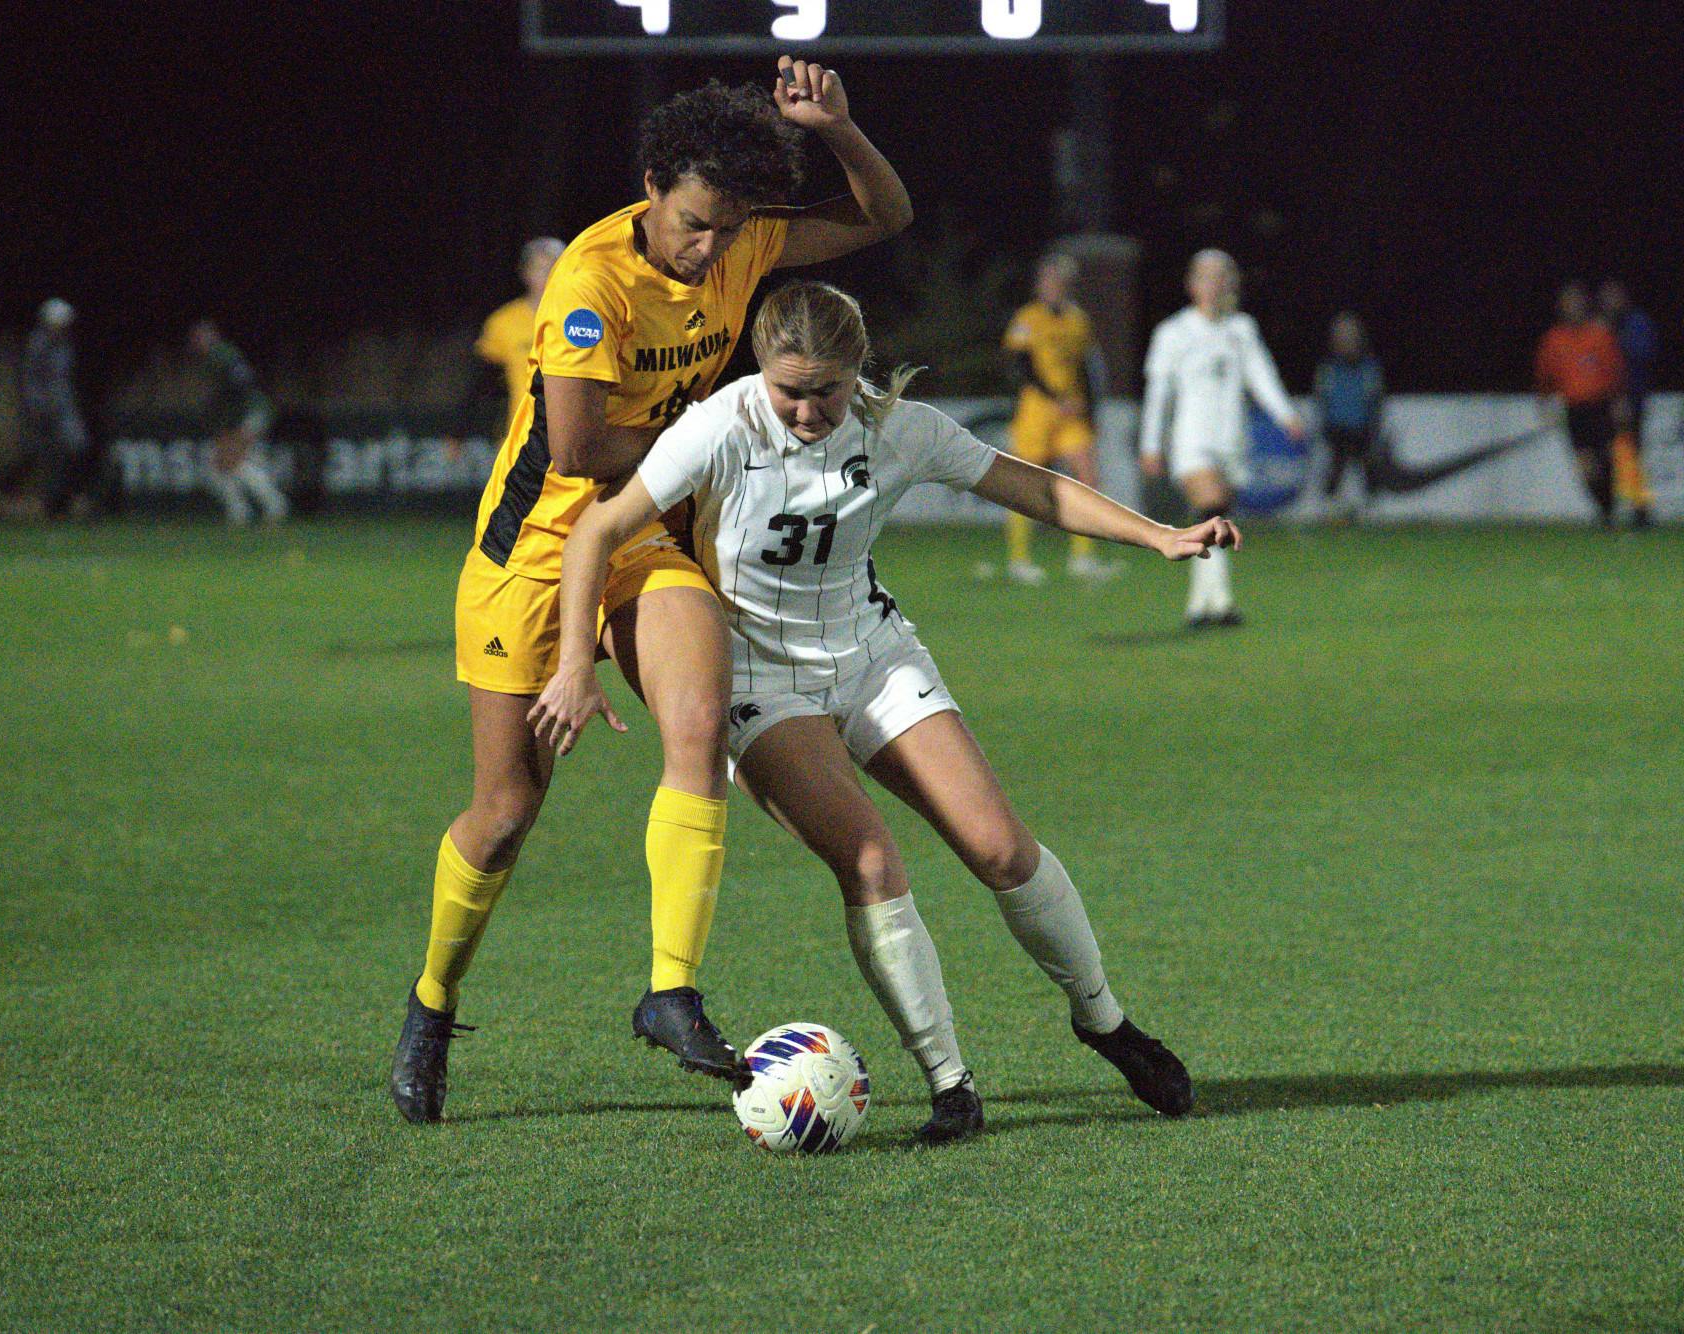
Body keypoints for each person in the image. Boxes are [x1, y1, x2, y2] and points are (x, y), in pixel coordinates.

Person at [538, 282, 1228, 1141]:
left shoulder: (901, 429)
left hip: (873, 655)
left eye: (824, 390)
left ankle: (1105, 1021)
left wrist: (1160, 536)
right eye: (787, 388)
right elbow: (595, 531)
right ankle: (951, 1085)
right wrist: (574, 663)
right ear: (761, 369)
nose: (803, 409)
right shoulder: (722, 425)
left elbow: (1033, 487)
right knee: (870, 861)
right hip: (761, 672)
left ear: (856, 371)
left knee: (1003, 849)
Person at [390, 59, 913, 1124]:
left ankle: (668, 987)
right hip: (533, 556)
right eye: (691, 225)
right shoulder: (588, 282)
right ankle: (432, 1002)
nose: (709, 249)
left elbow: (882, 214)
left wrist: (843, 131)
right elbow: (579, 446)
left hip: (642, 538)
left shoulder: (747, 238)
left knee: (697, 718)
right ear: (649, 185)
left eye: (726, 229)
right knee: (503, 812)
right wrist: (728, 433)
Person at [1139, 249, 1306, 629]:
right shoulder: (1174, 332)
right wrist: (1151, 444)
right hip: (1191, 442)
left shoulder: (1241, 329)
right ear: (1192, 284)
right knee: (1211, 509)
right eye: (1208, 276)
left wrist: (1285, 414)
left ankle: (1203, 606)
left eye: (1222, 276)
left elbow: (1260, 376)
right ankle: (1221, 602)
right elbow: (1158, 393)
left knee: (1215, 522)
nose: (1216, 284)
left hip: (1232, 442)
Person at [999, 252, 1117, 583]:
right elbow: (1020, 366)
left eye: (1057, 281)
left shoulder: (1078, 320)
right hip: (1038, 410)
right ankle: (1019, 559)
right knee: (1027, 485)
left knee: (1088, 478)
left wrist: (1090, 409)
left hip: (1072, 410)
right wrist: (1054, 399)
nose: (1051, 287)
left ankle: (1082, 557)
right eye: (1047, 280)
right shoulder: (1028, 318)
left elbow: (1086, 367)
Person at [1534, 283, 1627, 525]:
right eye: (1568, 303)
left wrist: (1619, 400)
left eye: (1577, 302)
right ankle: (1605, 510)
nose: (1573, 307)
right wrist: (1544, 405)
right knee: (1586, 466)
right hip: (1575, 409)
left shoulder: (1599, 334)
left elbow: (1614, 369)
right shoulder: (1554, 340)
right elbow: (1544, 376)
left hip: (1601, 405)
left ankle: (1614, 506)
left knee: (1608, 458)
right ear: (1561, 307)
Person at [190, 319, 288, 526]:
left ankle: (274, 506)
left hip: (251, 413)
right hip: (236, 417)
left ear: (212, 336)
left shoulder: (223, 354)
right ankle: (242, 511)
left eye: (202, 336)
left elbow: (242, 382)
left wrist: (234, 429)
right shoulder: (209, 361)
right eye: (196, 337)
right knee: (218, 467)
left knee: (234, 461)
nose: (198, 341)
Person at [474, 237, 568, 432]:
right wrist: (460, 432)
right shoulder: (503, 322)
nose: (548, 276)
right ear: (525, 273)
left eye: (555, 267)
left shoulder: (587, 320)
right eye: (540, 269)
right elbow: (483, 386)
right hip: (521, 441)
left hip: (576, 445)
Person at [18, 299, 96, 519]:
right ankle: (52, 502)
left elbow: (66, 377)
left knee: (76, 447)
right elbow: (31, 379)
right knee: (46, 455)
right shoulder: (37, 344)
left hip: (64, 406)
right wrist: (37, 406)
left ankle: (66, 498)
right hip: (44, 409)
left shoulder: (65, 345)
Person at [1312, 311, 1383, 520]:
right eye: (1342, 336)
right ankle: (1330, 510)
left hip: (1361, 426)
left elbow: (1376, 398)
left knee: (1369, 468)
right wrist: (1324, 425)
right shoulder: (1328, 368)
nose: (1346, 341)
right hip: (1336, 427)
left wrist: (1374, 425)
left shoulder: (1369, 367)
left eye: (1350, 336)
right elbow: (1321, 397)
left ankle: (1370, 512)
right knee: (1335, 469)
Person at [1598, 279, 1658, 526]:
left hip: (1630, 397)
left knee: (1628, 453)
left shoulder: (1635, 323)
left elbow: (1643, 353)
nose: (1609, 301)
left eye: (1614, 296)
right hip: (1603, 399)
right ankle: (1609, 508)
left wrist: (1614, 338)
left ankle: (1639, 509)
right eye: (1606, 297)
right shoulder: (1600, 325)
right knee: (1606, 455)